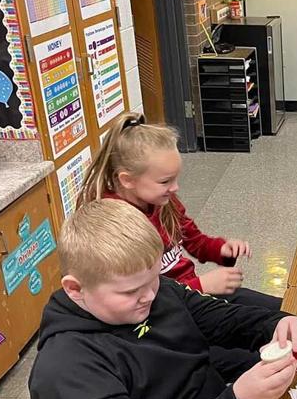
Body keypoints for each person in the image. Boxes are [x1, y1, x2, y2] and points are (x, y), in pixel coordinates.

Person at [29, 199, 297, 399]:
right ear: (75, 288)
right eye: (130, 291)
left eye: (153, 279)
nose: (150, 295)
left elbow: (220, 319)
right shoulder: (66, 373)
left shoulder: (153, 291)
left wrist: (276, 324)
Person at [79, 112, 280, 311]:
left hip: (190, 296)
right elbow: (141, 298)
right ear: (127, 180)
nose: (175, 188)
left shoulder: (163, 201)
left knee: (282, 310)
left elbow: (195, 241)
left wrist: (221, 249)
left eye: (175, 179)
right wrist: (201, 286)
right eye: (165, 181)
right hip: (167, 311)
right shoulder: (113, 227)